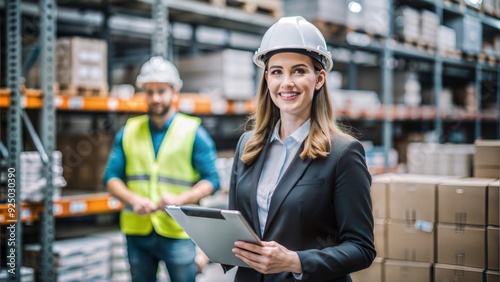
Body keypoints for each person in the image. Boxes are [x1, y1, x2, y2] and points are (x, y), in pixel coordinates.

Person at [226, 16, 376, 282]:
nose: (286, 83)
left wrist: (295, 261)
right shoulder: (247, 146)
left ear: (319, 79)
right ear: (267, 79)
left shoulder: (343, 153)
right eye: (277, 72)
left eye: (298, 71)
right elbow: (236, 225)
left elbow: (361, 248)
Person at [104, 56, 220, 282]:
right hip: (137, 231)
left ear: (174, 92)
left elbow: (212, 180)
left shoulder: (193, 131)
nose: (155, 98)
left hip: (177, 230)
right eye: (149, 91)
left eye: (161, 91)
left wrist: (181, 198)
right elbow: (110, 178)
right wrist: (133, 200)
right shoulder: (128, 131)